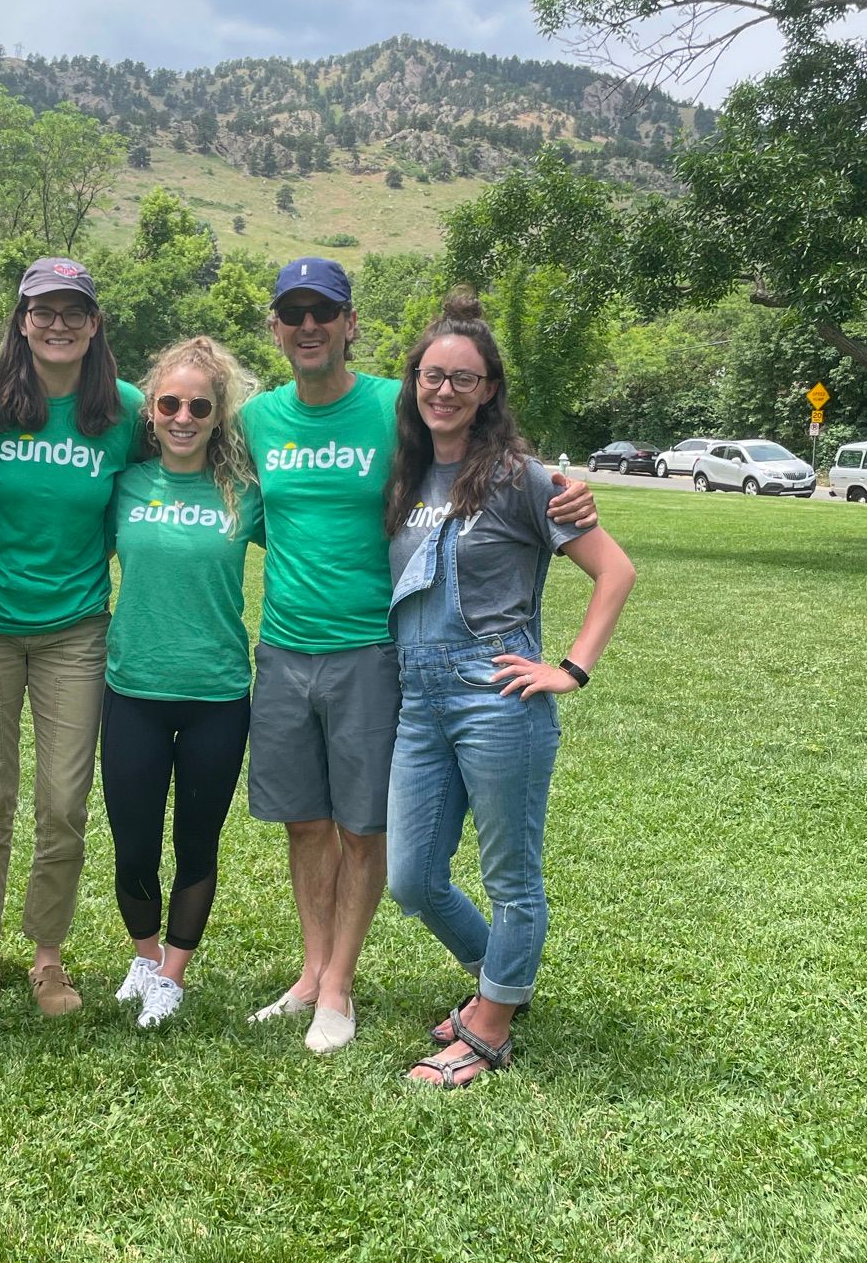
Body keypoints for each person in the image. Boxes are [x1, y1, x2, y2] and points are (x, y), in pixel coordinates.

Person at [238, 257, 597, 1055]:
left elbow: (476, 438)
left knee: (367, 831)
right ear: (276, 327)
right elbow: (248, 505)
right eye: (292, 313)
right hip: (288, 649)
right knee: (309, 825)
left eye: (322, 311)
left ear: (349, 323)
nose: (307, 326)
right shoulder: (258, 419)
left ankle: (341, 988)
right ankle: (311, 974)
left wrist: (563, 491)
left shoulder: (392, 407)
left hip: (377, 650)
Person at [383, 293, 636, 1087]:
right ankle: (501, 978)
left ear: (489, 389)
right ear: (415, 383)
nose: (445, 391)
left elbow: (614, 571)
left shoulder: (524, 479)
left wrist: (570, 667)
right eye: (433, 376)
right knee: (412, 875)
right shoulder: (411, 475)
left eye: (464, 378)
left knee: (512, 875)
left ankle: (490, 1028)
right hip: (418, 696)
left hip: (496, 694)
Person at [0, 258, 145, 1018]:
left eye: (73, 311)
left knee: (63, 802)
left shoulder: (125, 410)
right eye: (42, 311)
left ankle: (49, 958)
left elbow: (192, 462)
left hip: (76, 630)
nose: (57, 324)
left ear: (94, 324)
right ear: (21, 321)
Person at [100, 336, 263, 1029]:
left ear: (218, 414)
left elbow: (327, 532)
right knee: (132, 842)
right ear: (152, 411)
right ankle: (144, 957)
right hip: (132, 688)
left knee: (197, 844)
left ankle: (174, 973)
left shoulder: (247, 494)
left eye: (200, 405)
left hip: (217, 696)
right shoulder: (124, 485)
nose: (183, 416)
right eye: (169, 402)